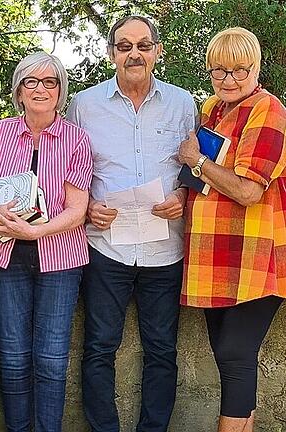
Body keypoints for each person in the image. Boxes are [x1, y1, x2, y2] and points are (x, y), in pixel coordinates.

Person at [66, 15, 197, 432]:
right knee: (100, 348)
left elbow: (195, 169)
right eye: (124, 46)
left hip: (165, 249)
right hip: (107, 247)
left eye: (143, 45)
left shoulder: (184, 104)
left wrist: (183, 196)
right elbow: (63, 169)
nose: (134, 53)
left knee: (162, 350)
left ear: (157, 51)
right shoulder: (84, 106)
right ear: (111, 54)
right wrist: (85, 209)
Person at [0, 51, 92, 432]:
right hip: (6, 257)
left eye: (50, 81)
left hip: (60, 259)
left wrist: (36, 231)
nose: (40, 89)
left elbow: (77, 209)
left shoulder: (76, 139)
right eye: (31, 81)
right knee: (14, 357)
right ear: (18, 91)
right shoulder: (1, 133)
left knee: (51, 359)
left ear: (60, 90)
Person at [177, 27, 286, 432]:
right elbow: (202, 182)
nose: (229, 79)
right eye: (219, 70)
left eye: (240, 70)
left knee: (235, 353)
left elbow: (248, 190)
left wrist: (196, 161)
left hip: (256, 256)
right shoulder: (211, 109)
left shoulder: (268, 108)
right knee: (228, 356)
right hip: (215, 257)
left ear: (256, 69)